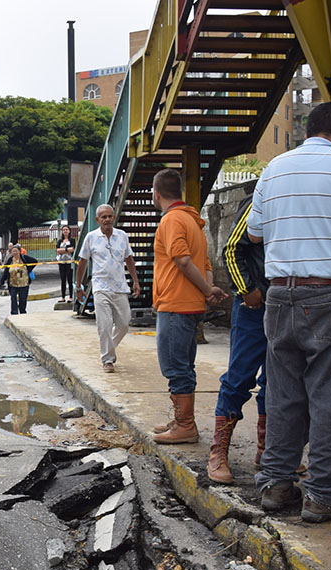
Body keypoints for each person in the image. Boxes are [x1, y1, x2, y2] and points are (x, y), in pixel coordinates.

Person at [246, 101, 331, 523]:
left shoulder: (275, 167)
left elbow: (254, 232)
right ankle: (322, 496)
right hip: (330, 297)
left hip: (280, 296)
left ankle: (276, 485)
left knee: (284, 394)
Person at [149, 168, 228, 444]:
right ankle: (181, 419)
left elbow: (183, 261)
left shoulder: (171, 221)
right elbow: (204, 264)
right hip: (191, 305)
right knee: (185, 364)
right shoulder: (193, 221)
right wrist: (207, 292)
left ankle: (185, 425)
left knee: (174, 366)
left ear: (156, 194)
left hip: (175, 304)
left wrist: (207, 290)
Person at [206, 197, 268, 484]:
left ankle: (267, 451)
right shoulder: (262, 195)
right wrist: (247, 290)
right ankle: (218, 453)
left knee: (278, 381)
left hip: (286, 303)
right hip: (254, 307)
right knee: (239, 377)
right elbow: (231, 248)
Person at [76, 203, 141, 373]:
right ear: (97, 220)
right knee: (104, 324)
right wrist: (78, 286)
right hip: (100, 286)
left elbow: (129, 258)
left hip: (120, 285)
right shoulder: (91, 237)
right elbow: (82, 262)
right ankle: (107, 359)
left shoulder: (122, 236)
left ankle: (107, 348)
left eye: (109, 216)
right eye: (103, 217)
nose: (107, 219)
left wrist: (135, 281)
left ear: (113, 217)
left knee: (124, 323)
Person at [7, 248, 31, 315]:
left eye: (16, 251)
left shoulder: (24, 258)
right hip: (13, 283)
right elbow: (6, 270)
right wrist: (3, 280)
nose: (15, 252)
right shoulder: (10, 260)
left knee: (23, 299)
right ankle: (14, 313)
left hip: (23, 283)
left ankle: (22, 311)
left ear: (19, 252)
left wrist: (28, 270)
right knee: (13, 299)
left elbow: (34, 261)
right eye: (13, 251)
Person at [56, 224, 76, 302]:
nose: (65, 231)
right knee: (63, 279)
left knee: (70, 279)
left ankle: (71, 296)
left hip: (69, 261)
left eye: (66, 230)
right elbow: (57, 250)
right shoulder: (59, 241)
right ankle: (63, 297)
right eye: (63, 230)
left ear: (69, 231)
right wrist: (67, 249)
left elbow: (73, 249)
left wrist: (63, 250)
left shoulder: (72, 240)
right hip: (61, 262)